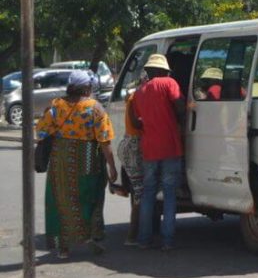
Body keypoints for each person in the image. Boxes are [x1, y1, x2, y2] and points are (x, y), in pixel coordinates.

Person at [36, 70, 118, 259]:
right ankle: (90, 235)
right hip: (88, 157)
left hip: (60, 160)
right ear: (87, 88)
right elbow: (105, 140)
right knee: (90, 196)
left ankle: (63, 247)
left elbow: (40, 131)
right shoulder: (95, 108)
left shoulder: (56, 106)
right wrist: (112, 166)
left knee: (60, 201)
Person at [132, 53, 186, 250]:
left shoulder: (139, 92)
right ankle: (167, 240)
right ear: (164, 70)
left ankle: (144, 239)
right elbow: (180, 105)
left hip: (150, 148)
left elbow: (138, 120)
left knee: (148, 194)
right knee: (170, 193)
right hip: (170, 146)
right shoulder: (169, 83)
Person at [118, 81, 145, 245]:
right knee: (139, 193)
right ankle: (132, 236)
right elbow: (136, 122)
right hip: (134, 146)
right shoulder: (137, 98)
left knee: (138, 192)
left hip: (129, 143)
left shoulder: (133, 96)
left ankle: (135, 235)